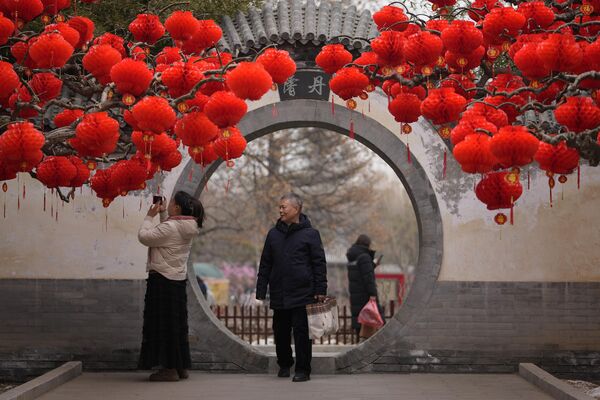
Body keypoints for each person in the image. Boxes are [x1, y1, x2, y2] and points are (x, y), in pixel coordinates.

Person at [256, 192, 327, 382]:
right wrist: (261, 289)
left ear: (297, 209)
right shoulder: (273, 234)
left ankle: (303, 370)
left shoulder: (311, 234)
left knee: (302, 333)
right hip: (279, 291)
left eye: (284, 207)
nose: (280, 210)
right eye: (279, 207)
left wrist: (320, 290)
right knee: (280, 332)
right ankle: (285, 364)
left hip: (304, 292)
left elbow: (319, 263)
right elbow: (265, 263)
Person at [137, 191, 204, 382]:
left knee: (162, 325)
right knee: (176, 325)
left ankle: (169, 369)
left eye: (173, 203)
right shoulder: (187, 226)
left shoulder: (171, 227)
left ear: (178, 208)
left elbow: (144, 237)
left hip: (162, 281)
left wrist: (150, 216)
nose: (170, 204)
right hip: (176, 280)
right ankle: (180, 366)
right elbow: (169, 230)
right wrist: (163, 214)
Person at [346, 234, 383, 339]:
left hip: (356, 297)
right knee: (373, 324)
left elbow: (360, 273)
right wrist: (373, 294)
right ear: (367, 245)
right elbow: (368, 279)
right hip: (365, 297)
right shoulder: (364, 257)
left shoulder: (352, 257)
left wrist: (373, 265)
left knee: (360, 324)